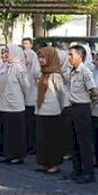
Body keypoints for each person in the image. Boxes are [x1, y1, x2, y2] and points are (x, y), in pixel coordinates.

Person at [66, 45, 98, 184]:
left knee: (84, 142)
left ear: (80, 56)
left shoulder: (85, 71)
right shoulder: (72, 71)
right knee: (74, 141)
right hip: (73, 107)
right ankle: (76, 169)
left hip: (82, 108)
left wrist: (87, 101)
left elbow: (94, 91)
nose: (69, 58)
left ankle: (89, 172)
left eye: (72, 55)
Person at [34, 47, 68, 175]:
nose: (41, 60)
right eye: (39, 57)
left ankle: (54, 164)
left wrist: (61, 108)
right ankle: (45, 163)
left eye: (43, 57)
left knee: (53, 139)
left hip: (53, 111)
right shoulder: (41, 73)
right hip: (41, 110)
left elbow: (61, 93)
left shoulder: (55, 74)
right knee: (43, 139)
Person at [0, 45, 29, 165]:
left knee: (16, 131)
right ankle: (8, 154)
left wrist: (22, 99)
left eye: (8, 52)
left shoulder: (18, 67)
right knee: (7, 131)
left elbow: (26, 86)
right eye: (5, 52)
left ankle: (17, 155)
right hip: (5, 104)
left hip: (16, 105)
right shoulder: (5, 66)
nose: (6, 54)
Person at [23, 47, 40, 155]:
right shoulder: (24, 68)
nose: (24, 59)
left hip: (33, 100)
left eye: (26, 57)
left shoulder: (36, 70)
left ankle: (33, 146)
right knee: (27, 125)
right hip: (26, 100)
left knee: (32, 125)